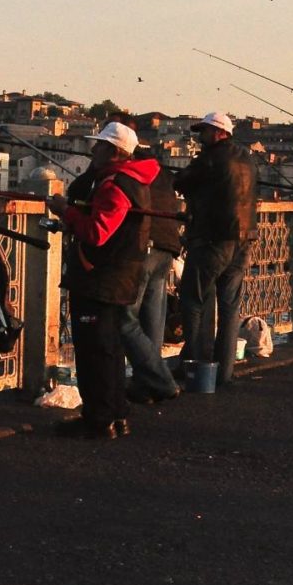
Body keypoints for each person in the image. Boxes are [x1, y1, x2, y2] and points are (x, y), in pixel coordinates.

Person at [46, 121, 157, 438]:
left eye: (100, 145)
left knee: (94, 352)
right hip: (119, 274)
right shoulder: (135, 181)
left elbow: (97, 232)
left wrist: (66, 211)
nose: (93, 150)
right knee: (109, 349)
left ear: (114, 151)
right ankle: (116, 415)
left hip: (100, 277)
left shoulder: (114, 184)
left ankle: (99, 420)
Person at [173, 111, 258, 386]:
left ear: (220, 133)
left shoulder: (210, 159)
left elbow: (180, 182)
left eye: (205, 131)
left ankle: (196, 367)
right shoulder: (247, 158)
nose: (200, 136)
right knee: (230, 307)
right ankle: (224, 373)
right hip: (245, 240)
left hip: (213, 239)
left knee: (193, 300)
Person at [123, 145, 182, 404]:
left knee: (125, 317)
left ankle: (159, 379)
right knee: (153, 319)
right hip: (168, 248)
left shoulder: (135, 176)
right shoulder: (165, 175)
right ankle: (145, 382)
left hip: (145, 247)